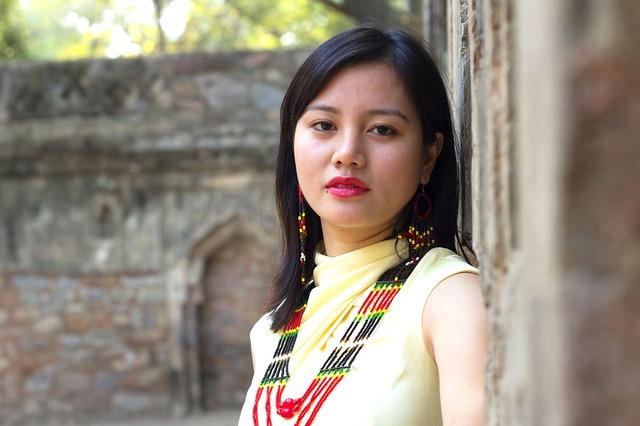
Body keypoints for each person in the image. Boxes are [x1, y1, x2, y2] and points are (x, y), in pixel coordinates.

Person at [238, 24, 487, 426]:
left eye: (382, 130)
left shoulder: (448, 301)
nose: (347, 153)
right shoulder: (270, 333)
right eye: (324, 125)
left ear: (428, 157)